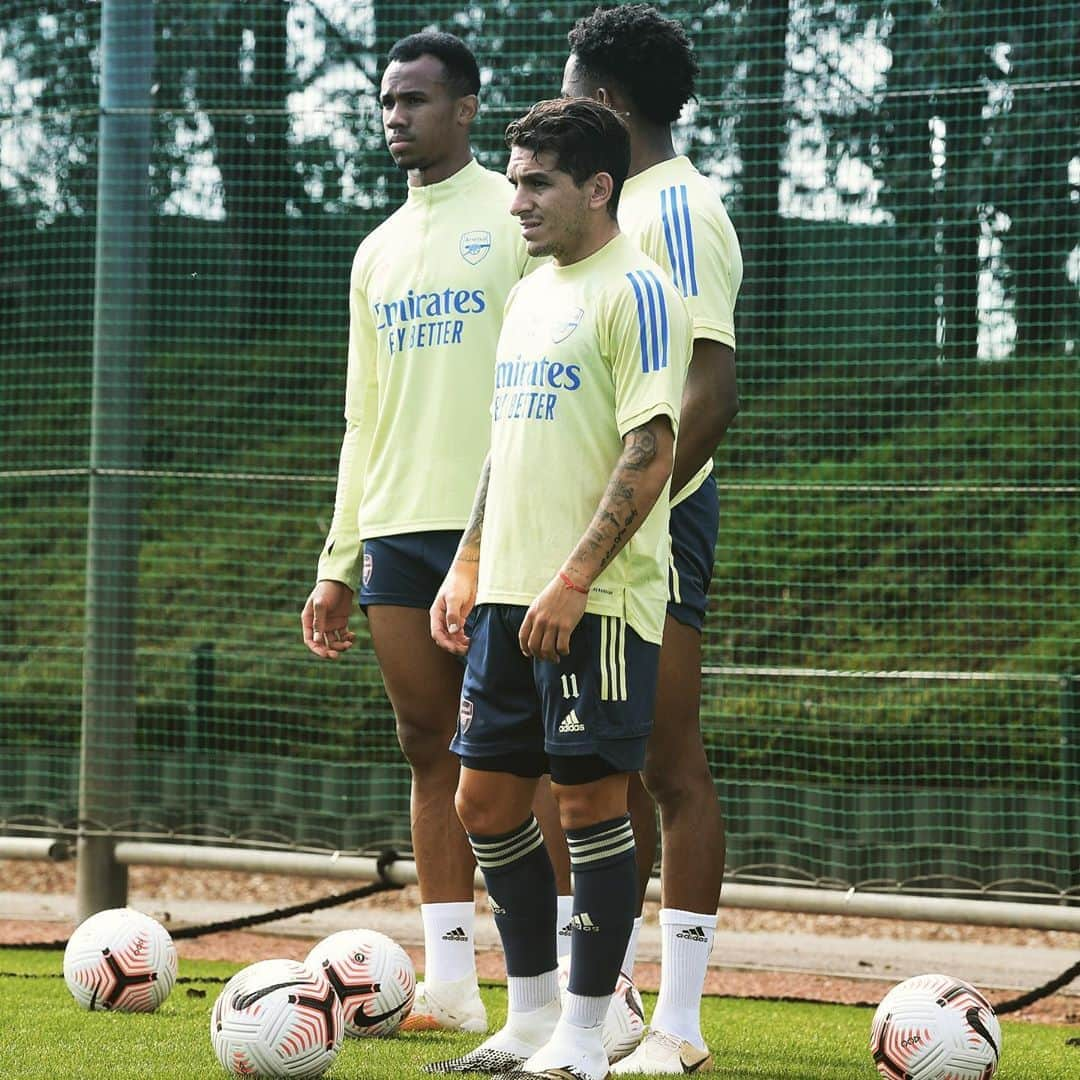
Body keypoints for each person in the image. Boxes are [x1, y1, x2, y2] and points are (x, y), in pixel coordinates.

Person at [300, 30, 570, 1034]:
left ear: (465, 110)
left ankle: (569, 983)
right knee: (431, 748)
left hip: (504, 526)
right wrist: (337, 562)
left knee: (531, 757)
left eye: (415, 100)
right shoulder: (375, 250)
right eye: (386, 101)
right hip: (396, 532)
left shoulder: (513, 225)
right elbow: (360, 417)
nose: (395, 116)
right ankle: (452, 985)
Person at [425, 97, 692, 1080]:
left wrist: (576, 578)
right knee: (485, 803)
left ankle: (586, 1034)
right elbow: (507, 445)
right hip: (505, 594)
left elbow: (651, 445)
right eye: (515, 181)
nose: (517, 202)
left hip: (597, 602)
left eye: (536, 183)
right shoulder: (531, 290)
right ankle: (529, 1016)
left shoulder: (639, 290)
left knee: (589, 810)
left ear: (597, 187)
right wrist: (468, 561)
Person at [562, 5, 743, 1073]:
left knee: (670, 766)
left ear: (608, 103)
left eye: (569, 85)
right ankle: (616, 1000)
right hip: (606, 524)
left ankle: (681, 1023)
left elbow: (709, 392)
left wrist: (630, 516)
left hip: (656, 525)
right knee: (600, 772)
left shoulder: (675, 210)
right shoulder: (614, 214)